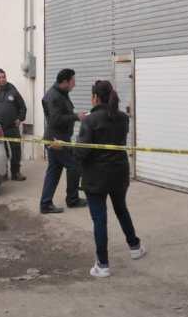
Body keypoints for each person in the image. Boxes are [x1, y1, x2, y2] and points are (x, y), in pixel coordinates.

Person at [74, 80, 145, 278]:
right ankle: (135, 246)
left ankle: (102, 264)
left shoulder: (90, 120)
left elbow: (82, 152)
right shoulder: (123, 118)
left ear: (95, 97)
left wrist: (67, 147)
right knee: (121, 209)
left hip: (96, 177)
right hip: (119, 173)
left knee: (99, 219)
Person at [40, 68, 87, 214]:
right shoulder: (54, 96)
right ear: (65, 82)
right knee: (74, 166)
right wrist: (76, 117)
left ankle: (46, 204)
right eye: (73, 81)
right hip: (56, 140)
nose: (75, 84)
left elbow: (61, 114)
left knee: (54, 171)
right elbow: (55, 120)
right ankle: (72, 199)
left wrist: (75, 116)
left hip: (58, 138)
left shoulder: (61, 93)